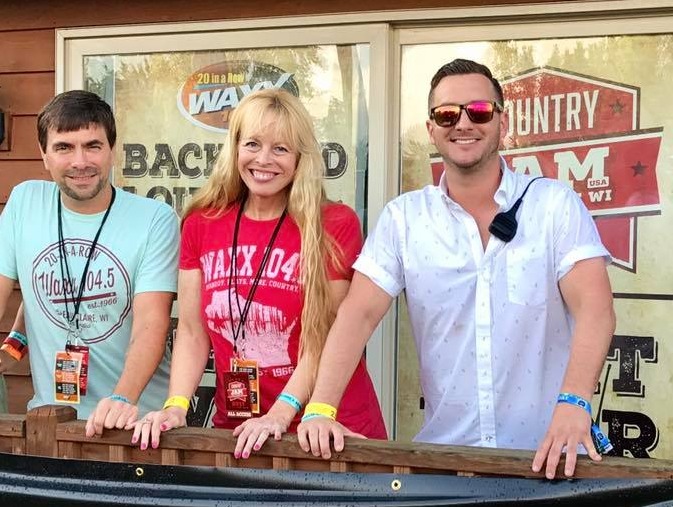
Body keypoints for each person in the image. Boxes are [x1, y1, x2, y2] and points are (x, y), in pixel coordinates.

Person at [297, 59, 615, 480]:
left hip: (549, 461)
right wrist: (320, 408)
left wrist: (574, 404)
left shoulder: (554, 205)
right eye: (447, 114)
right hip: (446, 467)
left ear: (502, 121)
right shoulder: (404, 218)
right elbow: (357, 315)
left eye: (479, 111)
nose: (463, 123)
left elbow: (596, 309)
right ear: (431, 129)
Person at [132, 88, 386, 457]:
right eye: (252, 143)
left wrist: (281, 413)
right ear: (234, 148)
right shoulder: (202, 222)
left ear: (300, 158)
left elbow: (327, 336)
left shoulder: (332, 224)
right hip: (240, 433)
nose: (264, 159)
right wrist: (176, 405)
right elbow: (190, 330)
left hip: (327, 432)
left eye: (281, 148)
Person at [0, 90, 179, 436]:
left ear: (112, 150)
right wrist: (14, 345)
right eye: (64, 147)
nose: (80, 161)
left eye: (92, 146)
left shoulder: (154, 218)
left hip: (136, 423)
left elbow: (151, 324)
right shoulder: (25, 203)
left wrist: (121, 399)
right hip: (51, 419)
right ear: (44, 154)